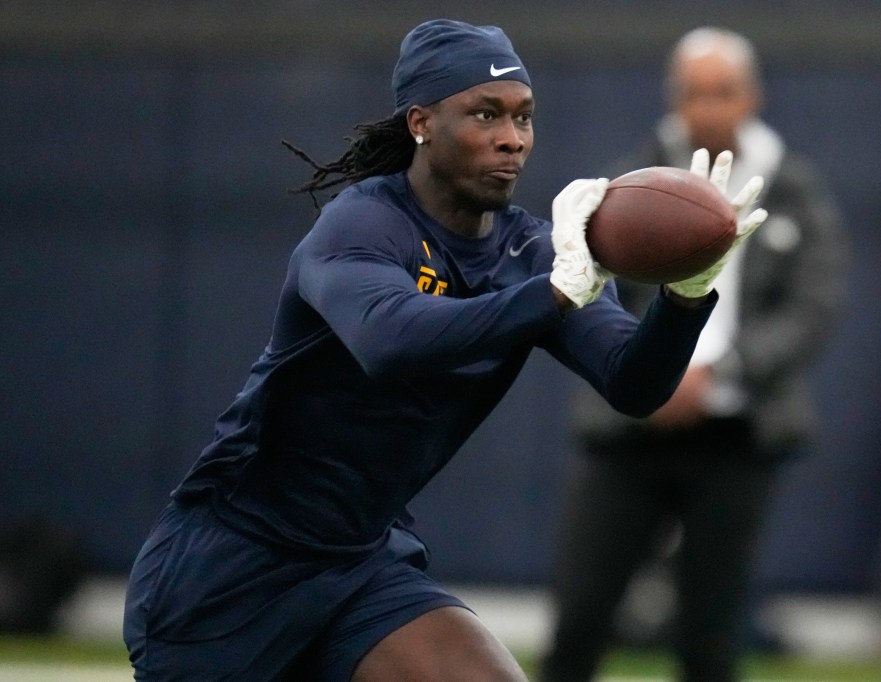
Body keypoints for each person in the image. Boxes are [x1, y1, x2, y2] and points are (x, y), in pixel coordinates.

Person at [122, 19, 766, 681]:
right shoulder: (364, 221)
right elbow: (392, 341)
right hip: (234, 567)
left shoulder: (533, 255)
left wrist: (684, 299)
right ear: (421, 122)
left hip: (359, 565)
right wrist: (555, 291)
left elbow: (632, 383)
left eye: (523, 116)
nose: (511, 138)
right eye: (484, 113)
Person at [540, 27, 849, 682]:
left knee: (711, 631)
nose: (708, 108)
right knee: (581, 614)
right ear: (672, 97)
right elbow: (591, 293)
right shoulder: (632, 181)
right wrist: (648, 369)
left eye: (723, 92)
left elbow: (813, 306)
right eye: (694, 93)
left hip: (737, 433)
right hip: (630, 428)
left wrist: (720, 372)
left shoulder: (793, 187)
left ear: (752, 96)